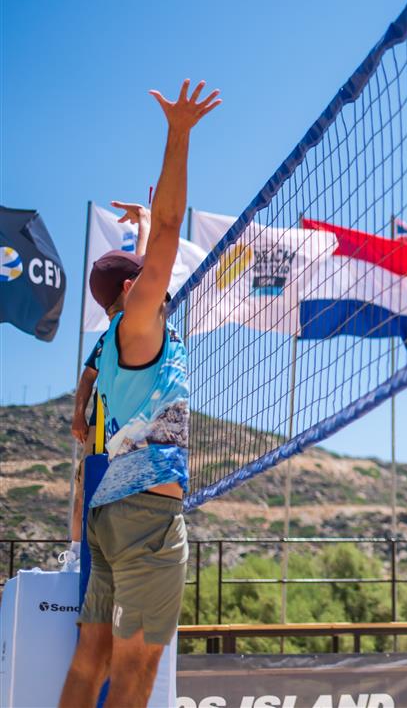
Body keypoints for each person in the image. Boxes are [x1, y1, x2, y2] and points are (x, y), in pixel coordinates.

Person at [59, 80, 220, 708]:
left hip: (108, 514)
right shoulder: (139, 327)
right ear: (133, 292)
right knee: (136, 667)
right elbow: (170, 237)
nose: (161, 283)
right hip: (146, 514)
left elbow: (153, 253)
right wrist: (178, 134)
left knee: (90, 663)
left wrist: (145, 224)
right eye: (149, 280)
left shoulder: (109, 343)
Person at [68, 202, 152, 569]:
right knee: (88, 493)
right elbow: (144, 270)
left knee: (101, 496)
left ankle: (87, 557)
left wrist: (144, 221)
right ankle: (76, 557)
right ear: (128, 288)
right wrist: (79, 416)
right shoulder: (120, 330)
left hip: (121, 431)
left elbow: (139, 269)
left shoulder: (121, 327)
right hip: (107, 431)